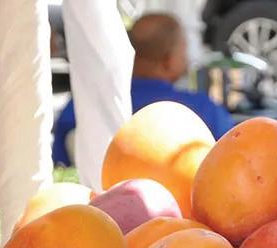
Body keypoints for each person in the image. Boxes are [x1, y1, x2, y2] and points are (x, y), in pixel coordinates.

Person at [52, 13, 234, 167]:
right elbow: (233, 160)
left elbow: (59, 165)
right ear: (169, 59)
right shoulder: (202, 111)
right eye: (184, 50)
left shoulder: (79, 108)